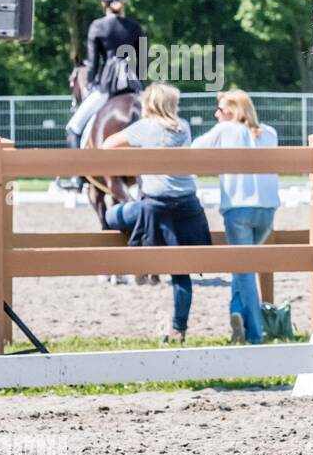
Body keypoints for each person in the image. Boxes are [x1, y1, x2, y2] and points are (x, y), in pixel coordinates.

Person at [102, 83, 211, 342]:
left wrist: (137, 158)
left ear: (150, 104)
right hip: (187, 206)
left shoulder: (145, 127)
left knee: (111, 217)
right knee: (181, 272)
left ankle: (144, 243)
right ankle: (179, 328)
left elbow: (108, 145)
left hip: (156, 207)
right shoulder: (183, 126)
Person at [191, 89, 280, 342]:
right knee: (245, 269)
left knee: (244, 270)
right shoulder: (269, 132)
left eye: (219, 109)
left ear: (231, 111)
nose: (216, 114)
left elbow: (194, 150)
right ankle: (236, 312)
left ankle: (254, 333)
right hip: (267, 210)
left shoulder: (225, 130)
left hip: (238, 208)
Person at [58, 0, 145, 190]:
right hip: (133, 85)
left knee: (73, 127)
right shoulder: (135, 28)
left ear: (103, 3)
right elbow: (142, 65)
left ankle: (78, 178)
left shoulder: (97, 26)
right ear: (122, 2)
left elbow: (93, 64)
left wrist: (91, 84)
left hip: (108, 86)